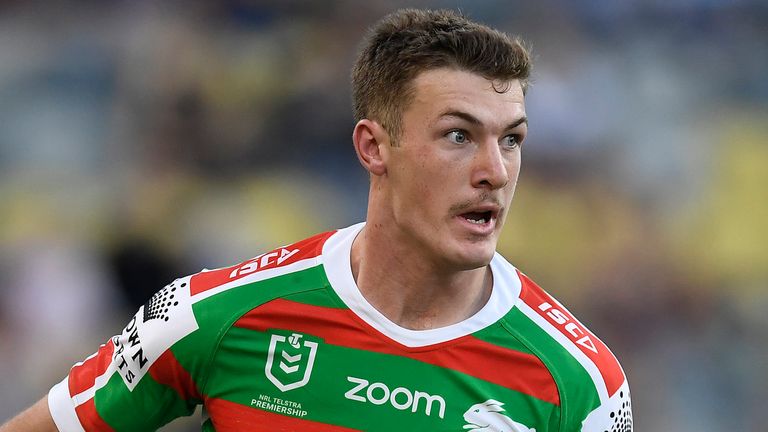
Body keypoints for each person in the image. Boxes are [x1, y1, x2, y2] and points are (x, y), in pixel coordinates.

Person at [1, 8, 632, 432]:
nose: (494, 170)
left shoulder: (582, 384)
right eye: (459, 136)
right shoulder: (216, 316)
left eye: (513, 139)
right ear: (372, 147)